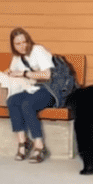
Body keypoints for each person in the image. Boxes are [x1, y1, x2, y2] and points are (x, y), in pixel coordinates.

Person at [5, 27, 55, 163]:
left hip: (49, 90)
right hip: (31, 90)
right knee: (12, 101)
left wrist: (24, 73)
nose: (22, 46)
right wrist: (9, 73)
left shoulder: (38, 50)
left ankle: (39, 145)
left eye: (24, 42)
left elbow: (47, 75)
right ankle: (23, 143)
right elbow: (14, 73)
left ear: (28, 41)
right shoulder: (17, 57)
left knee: (27, 104)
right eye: (18, 44)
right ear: (13, 45)